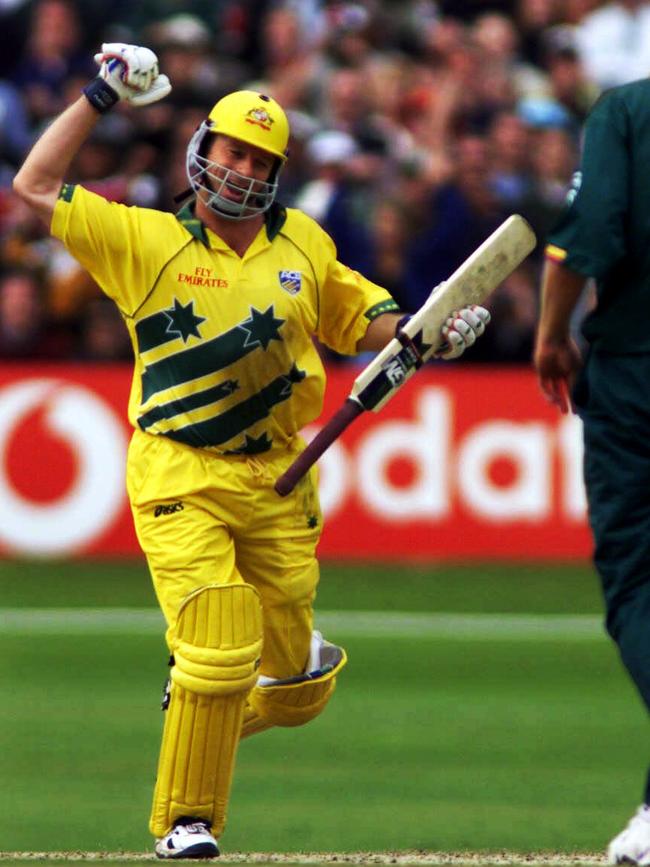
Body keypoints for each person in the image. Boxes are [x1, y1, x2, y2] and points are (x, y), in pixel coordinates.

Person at [13, 43, 490, 860]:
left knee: (299, 687)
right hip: (179, 469)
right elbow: (31, 185)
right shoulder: (146, 239)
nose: (243, 169)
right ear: (203, 148)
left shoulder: (301, 240)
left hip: (278, 476)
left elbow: (366, 320)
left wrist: (431, 330)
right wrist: (101, 96)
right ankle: (185, 823)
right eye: (233, 150)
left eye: (261, 159)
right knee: (220, 639)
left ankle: (200, 694)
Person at [533, 76, 650, 865]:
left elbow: (590, 232)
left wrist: (549, 333)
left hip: (638, 374)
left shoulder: (629, 111)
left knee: (638, 581)